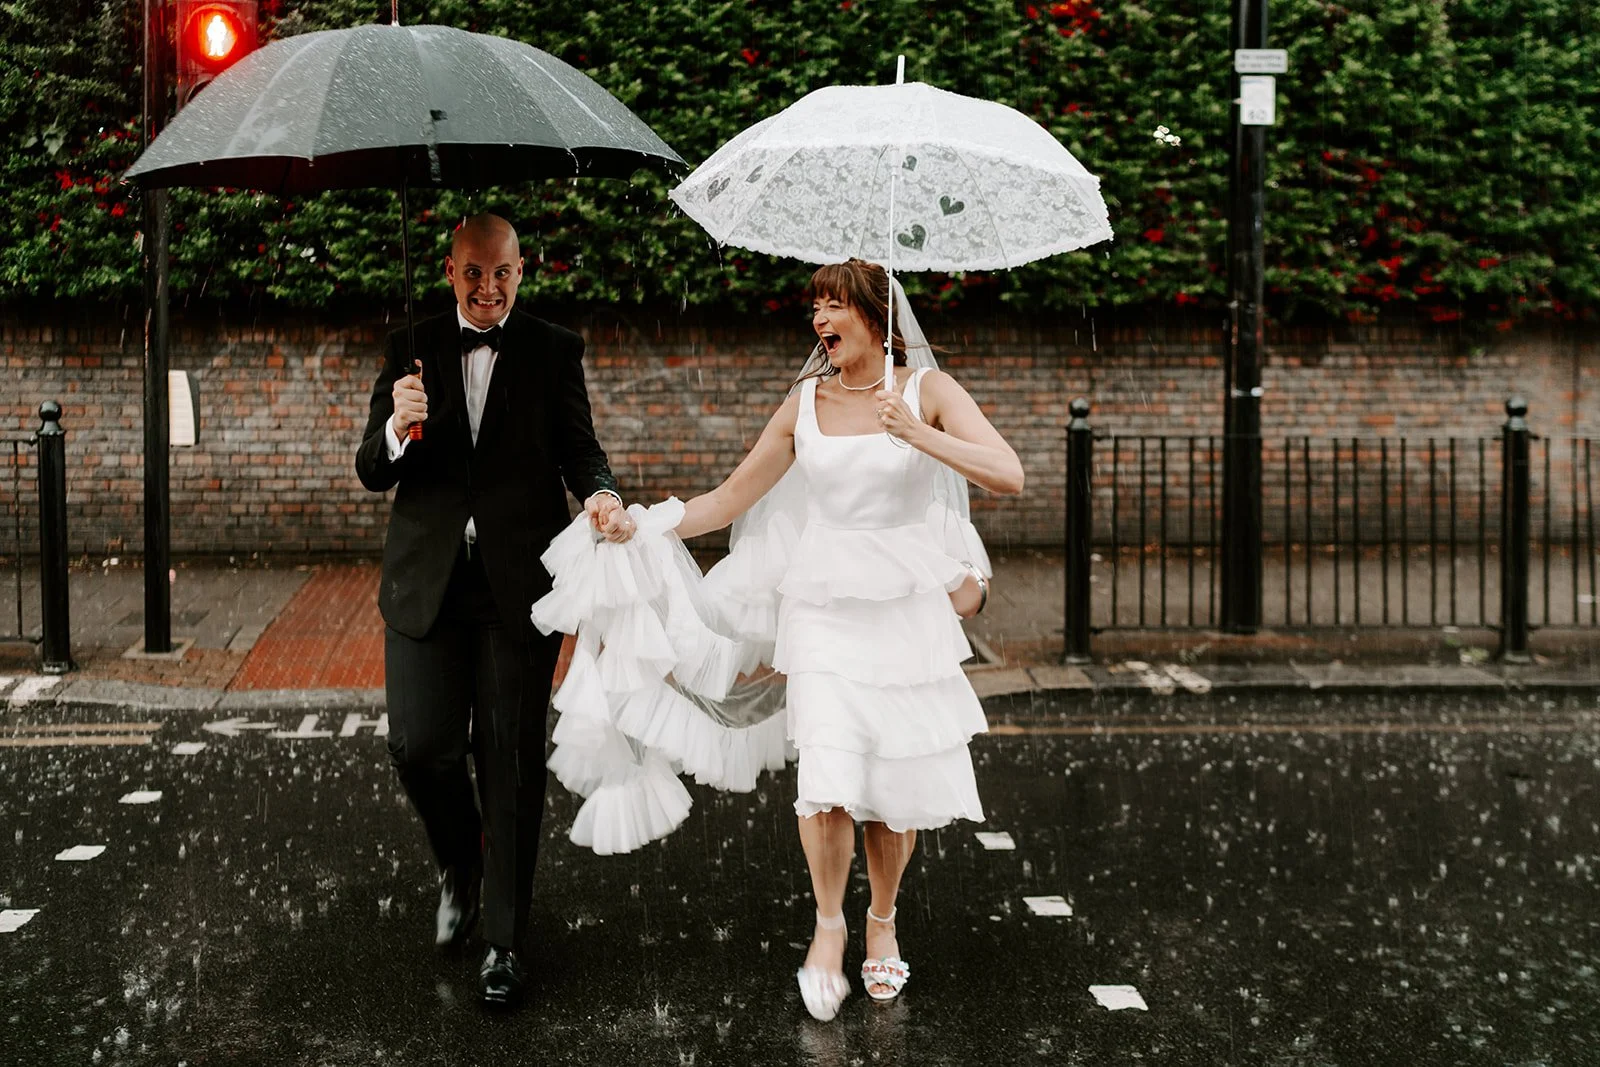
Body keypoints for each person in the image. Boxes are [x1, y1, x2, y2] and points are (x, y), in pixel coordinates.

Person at [354, 213, 635, 1009]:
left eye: (503, 273)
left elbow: (580, 449)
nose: (488, 289)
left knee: (510, 762)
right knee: (417, 746)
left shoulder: (553, 349)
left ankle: (505, 942)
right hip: (427, 582)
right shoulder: (409, 345)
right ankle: (460, 861)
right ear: (449, 270)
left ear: (522, 270)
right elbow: (373, 470)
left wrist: (605, 496)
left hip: (519, 585)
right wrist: (399, 424)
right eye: (474, 273)